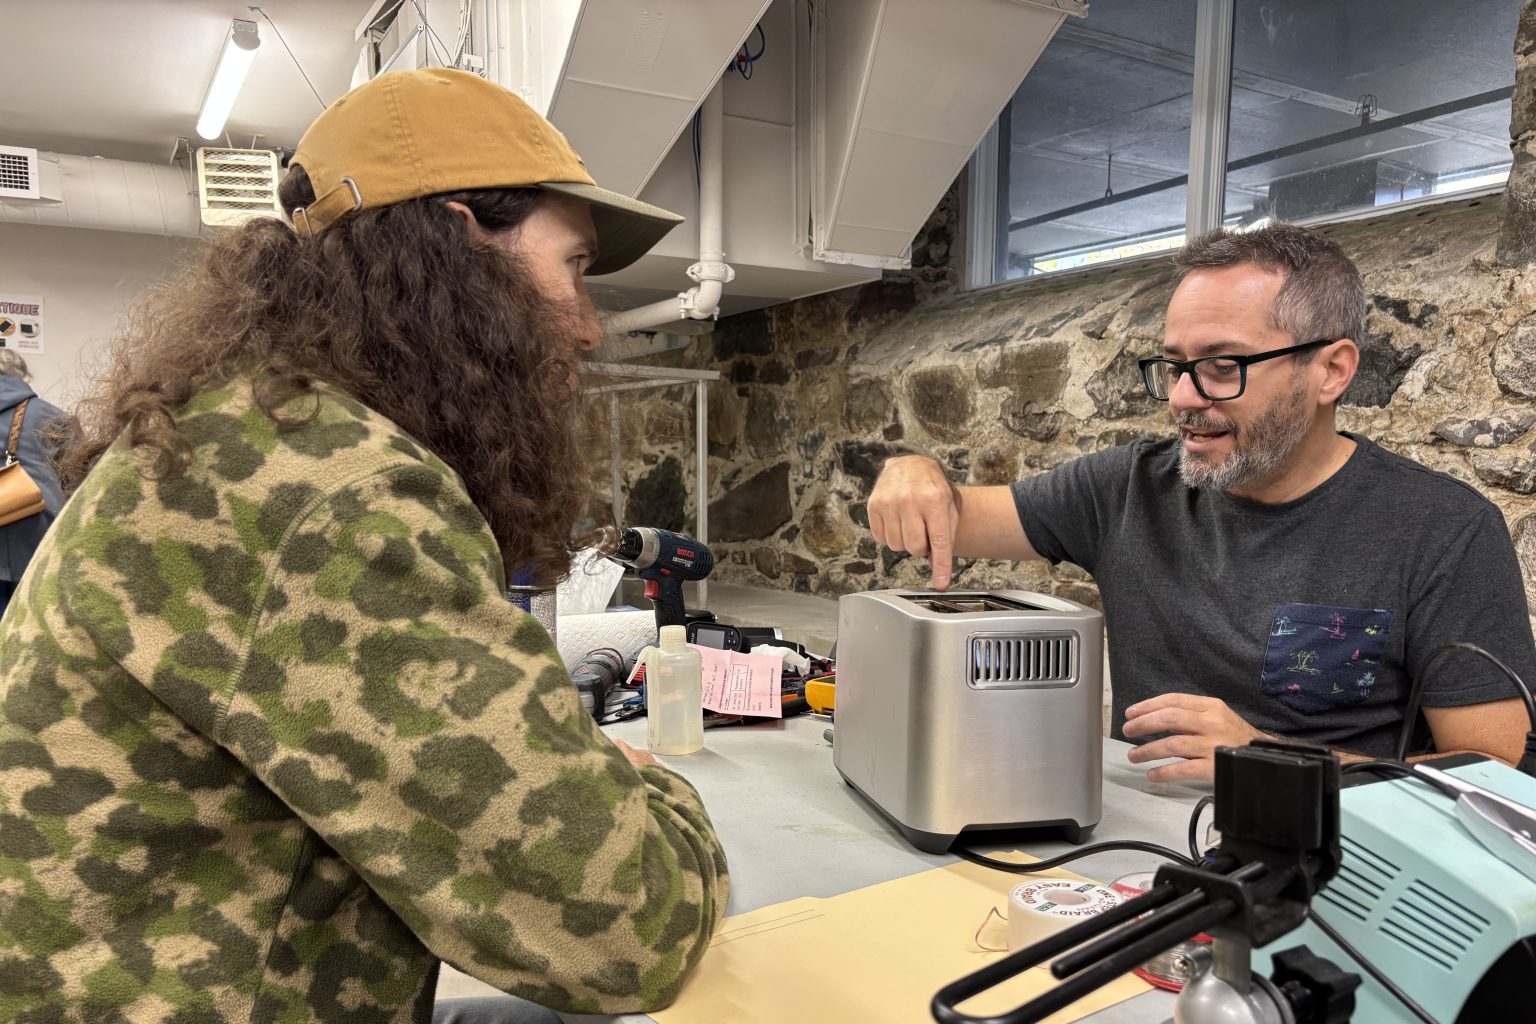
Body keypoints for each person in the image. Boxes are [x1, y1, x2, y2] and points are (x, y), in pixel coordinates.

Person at [0, 69, 728, 1024]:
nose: (591, 328)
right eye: (575, 267)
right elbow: (630, 929)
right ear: (462, 246)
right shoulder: (328, 488)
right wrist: (660, 790)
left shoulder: (240, 430)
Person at [868, 223, 1536, 783]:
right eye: (1174, 366)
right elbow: (950, 517)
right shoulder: (1125, 489)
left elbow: (1495, 775)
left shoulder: (1443, 530)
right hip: (1126, 845)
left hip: (1331, 856)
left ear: (1331, 370)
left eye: (1223, 367)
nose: (1184, 398)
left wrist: (1264, 759)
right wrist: (914, 471)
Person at [0, 347, 63, 616]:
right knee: (31, 618)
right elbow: (79, 475)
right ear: (22, 376)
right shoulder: (51, 415)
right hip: (37, 533)